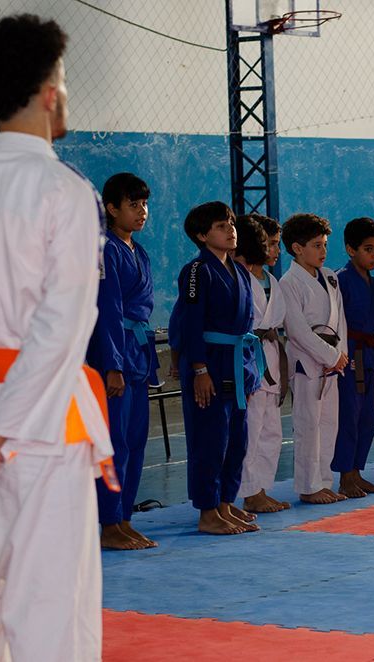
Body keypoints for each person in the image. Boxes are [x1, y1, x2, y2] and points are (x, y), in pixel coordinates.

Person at [0, 14, 112, 659]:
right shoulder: (62, 190)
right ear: (49, 92)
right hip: (40, 431)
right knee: (50, 619)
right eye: (64, 80)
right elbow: (60, 327)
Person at [174, 201, 262, 534]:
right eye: (221, 226)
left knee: (237, 440)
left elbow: (246, 324)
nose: (231, 230)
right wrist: (199, 369)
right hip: (209, 361)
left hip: (237, 364)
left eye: (231, 224)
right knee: (210, 440)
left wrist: (249, 375)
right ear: (201, 235)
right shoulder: (197, 271)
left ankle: (226, 502)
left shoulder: (239, 271)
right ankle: (208, 511)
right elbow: (190, 322)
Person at [88, 172, 159, 550]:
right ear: (112, 209)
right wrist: (111, 365)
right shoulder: (105, 249)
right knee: (114, 442)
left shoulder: (139, 251)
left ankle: (125, 517)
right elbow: (107, 310)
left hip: (138, 353)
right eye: (133, 205)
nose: (142, 211)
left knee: (135, 440)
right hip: (113, 354)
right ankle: (109, 522)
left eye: (144, 204)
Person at [278, 213, 349, 504]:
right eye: (317, 245)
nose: (323, 251)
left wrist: (341, 354)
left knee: (329, 424)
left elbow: (340, 319)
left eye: (325, 245)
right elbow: (297, 330)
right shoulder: (288, 282)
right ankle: (309, 487)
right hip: (306, 362)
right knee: (308, 425)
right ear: (297, 248)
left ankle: (324, 481)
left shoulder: (330, 276)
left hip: (332, 361)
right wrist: (331, 355)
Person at [233, 213, 290, 513]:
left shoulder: (272, 280)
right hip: (248, 358)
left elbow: (276, 324)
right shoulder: (238, 275)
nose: (276, 250)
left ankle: (262, 488)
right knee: (251, 430)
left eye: (277, 244)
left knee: (271, 431)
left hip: (270, 354)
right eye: (271, 243)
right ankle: (249, 492)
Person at [333, 217, 374, 497]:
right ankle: (345, 477)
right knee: (350, 416)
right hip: (349, 352)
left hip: (368, 352)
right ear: (350, 249)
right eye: (368, 249)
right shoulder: (340, 279)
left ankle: (357, 472)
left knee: (367, 418)